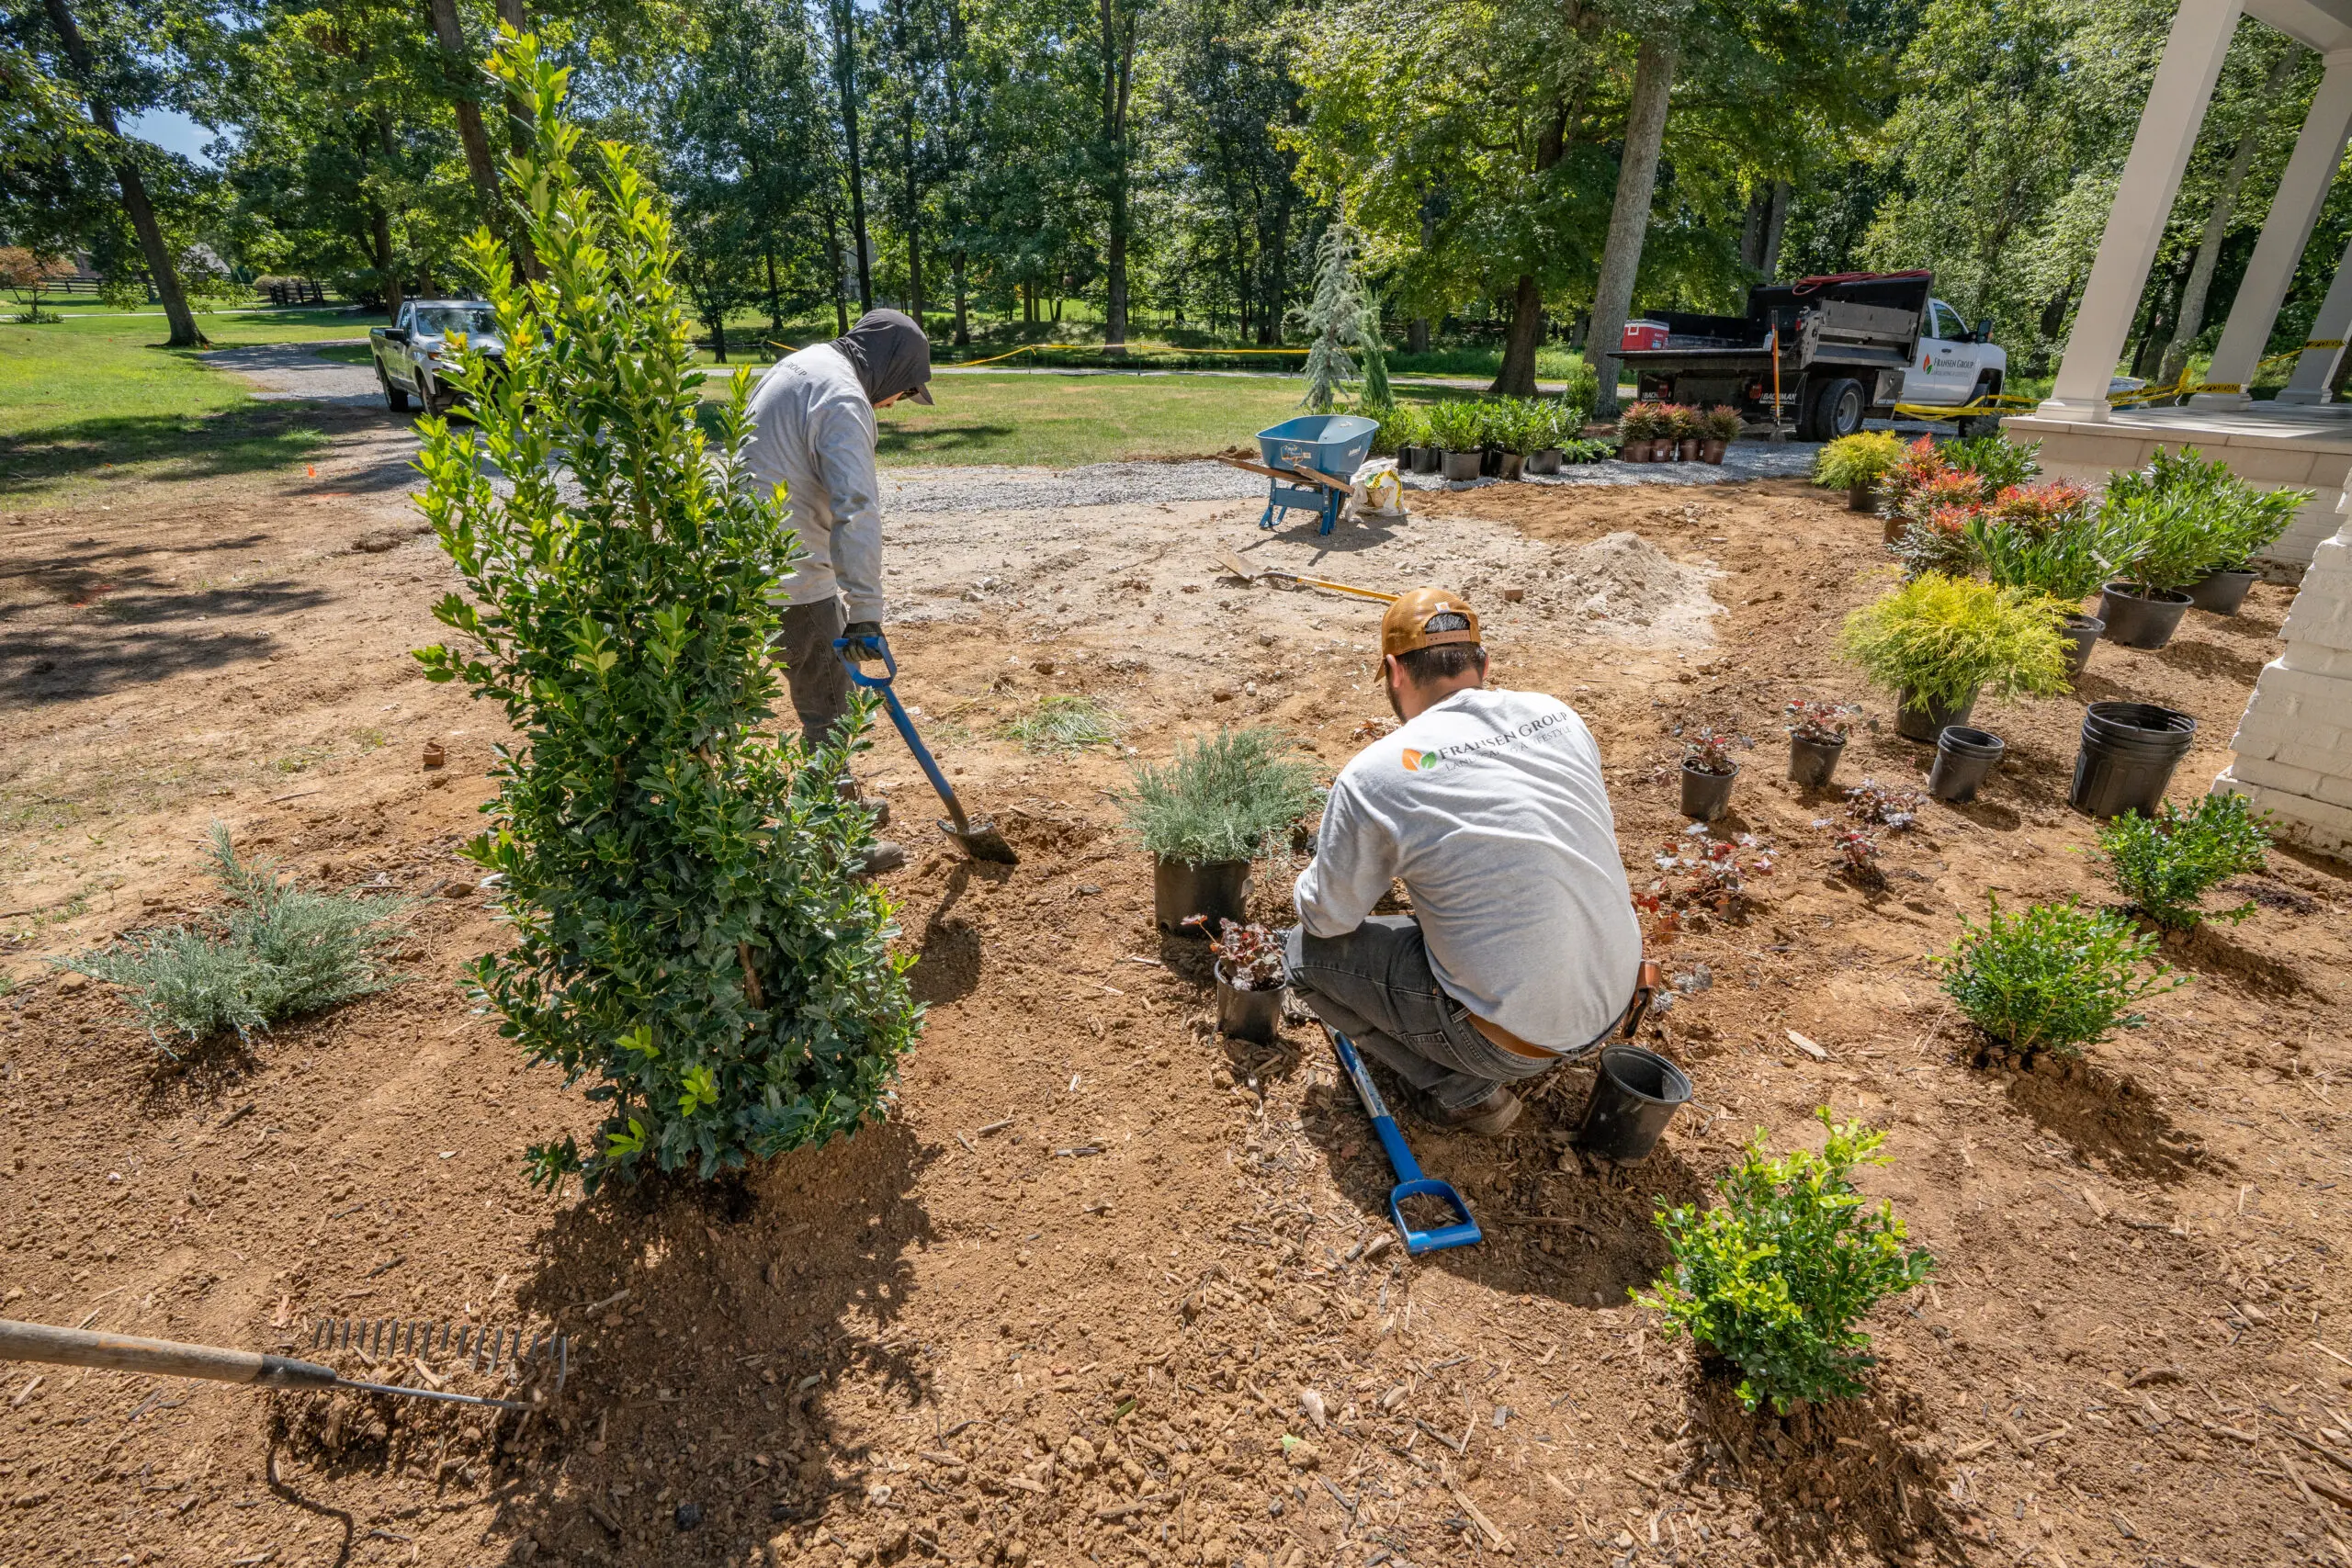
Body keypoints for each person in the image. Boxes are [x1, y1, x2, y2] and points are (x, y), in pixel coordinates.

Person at [1284, 588, 1644, 1135]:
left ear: (1393, 672)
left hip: (1514, 1044)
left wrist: (1326, 871)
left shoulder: (1376, 774)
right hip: (1614, 1003)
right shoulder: (1558, 716)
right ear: (1483, 664)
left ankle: (1466, 1093)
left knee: (1301, 954)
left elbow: (1328, 918)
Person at [745, 309, 935, 868]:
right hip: (794, 577)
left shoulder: (803, 366)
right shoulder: (844, 399)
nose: (892, 404)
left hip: (749, 560)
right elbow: (857, 507)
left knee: (822, 704)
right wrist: (865, 612)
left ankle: (841, 804)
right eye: (900, 393)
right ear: (889, 369)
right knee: (828, 710)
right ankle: (833, 846)